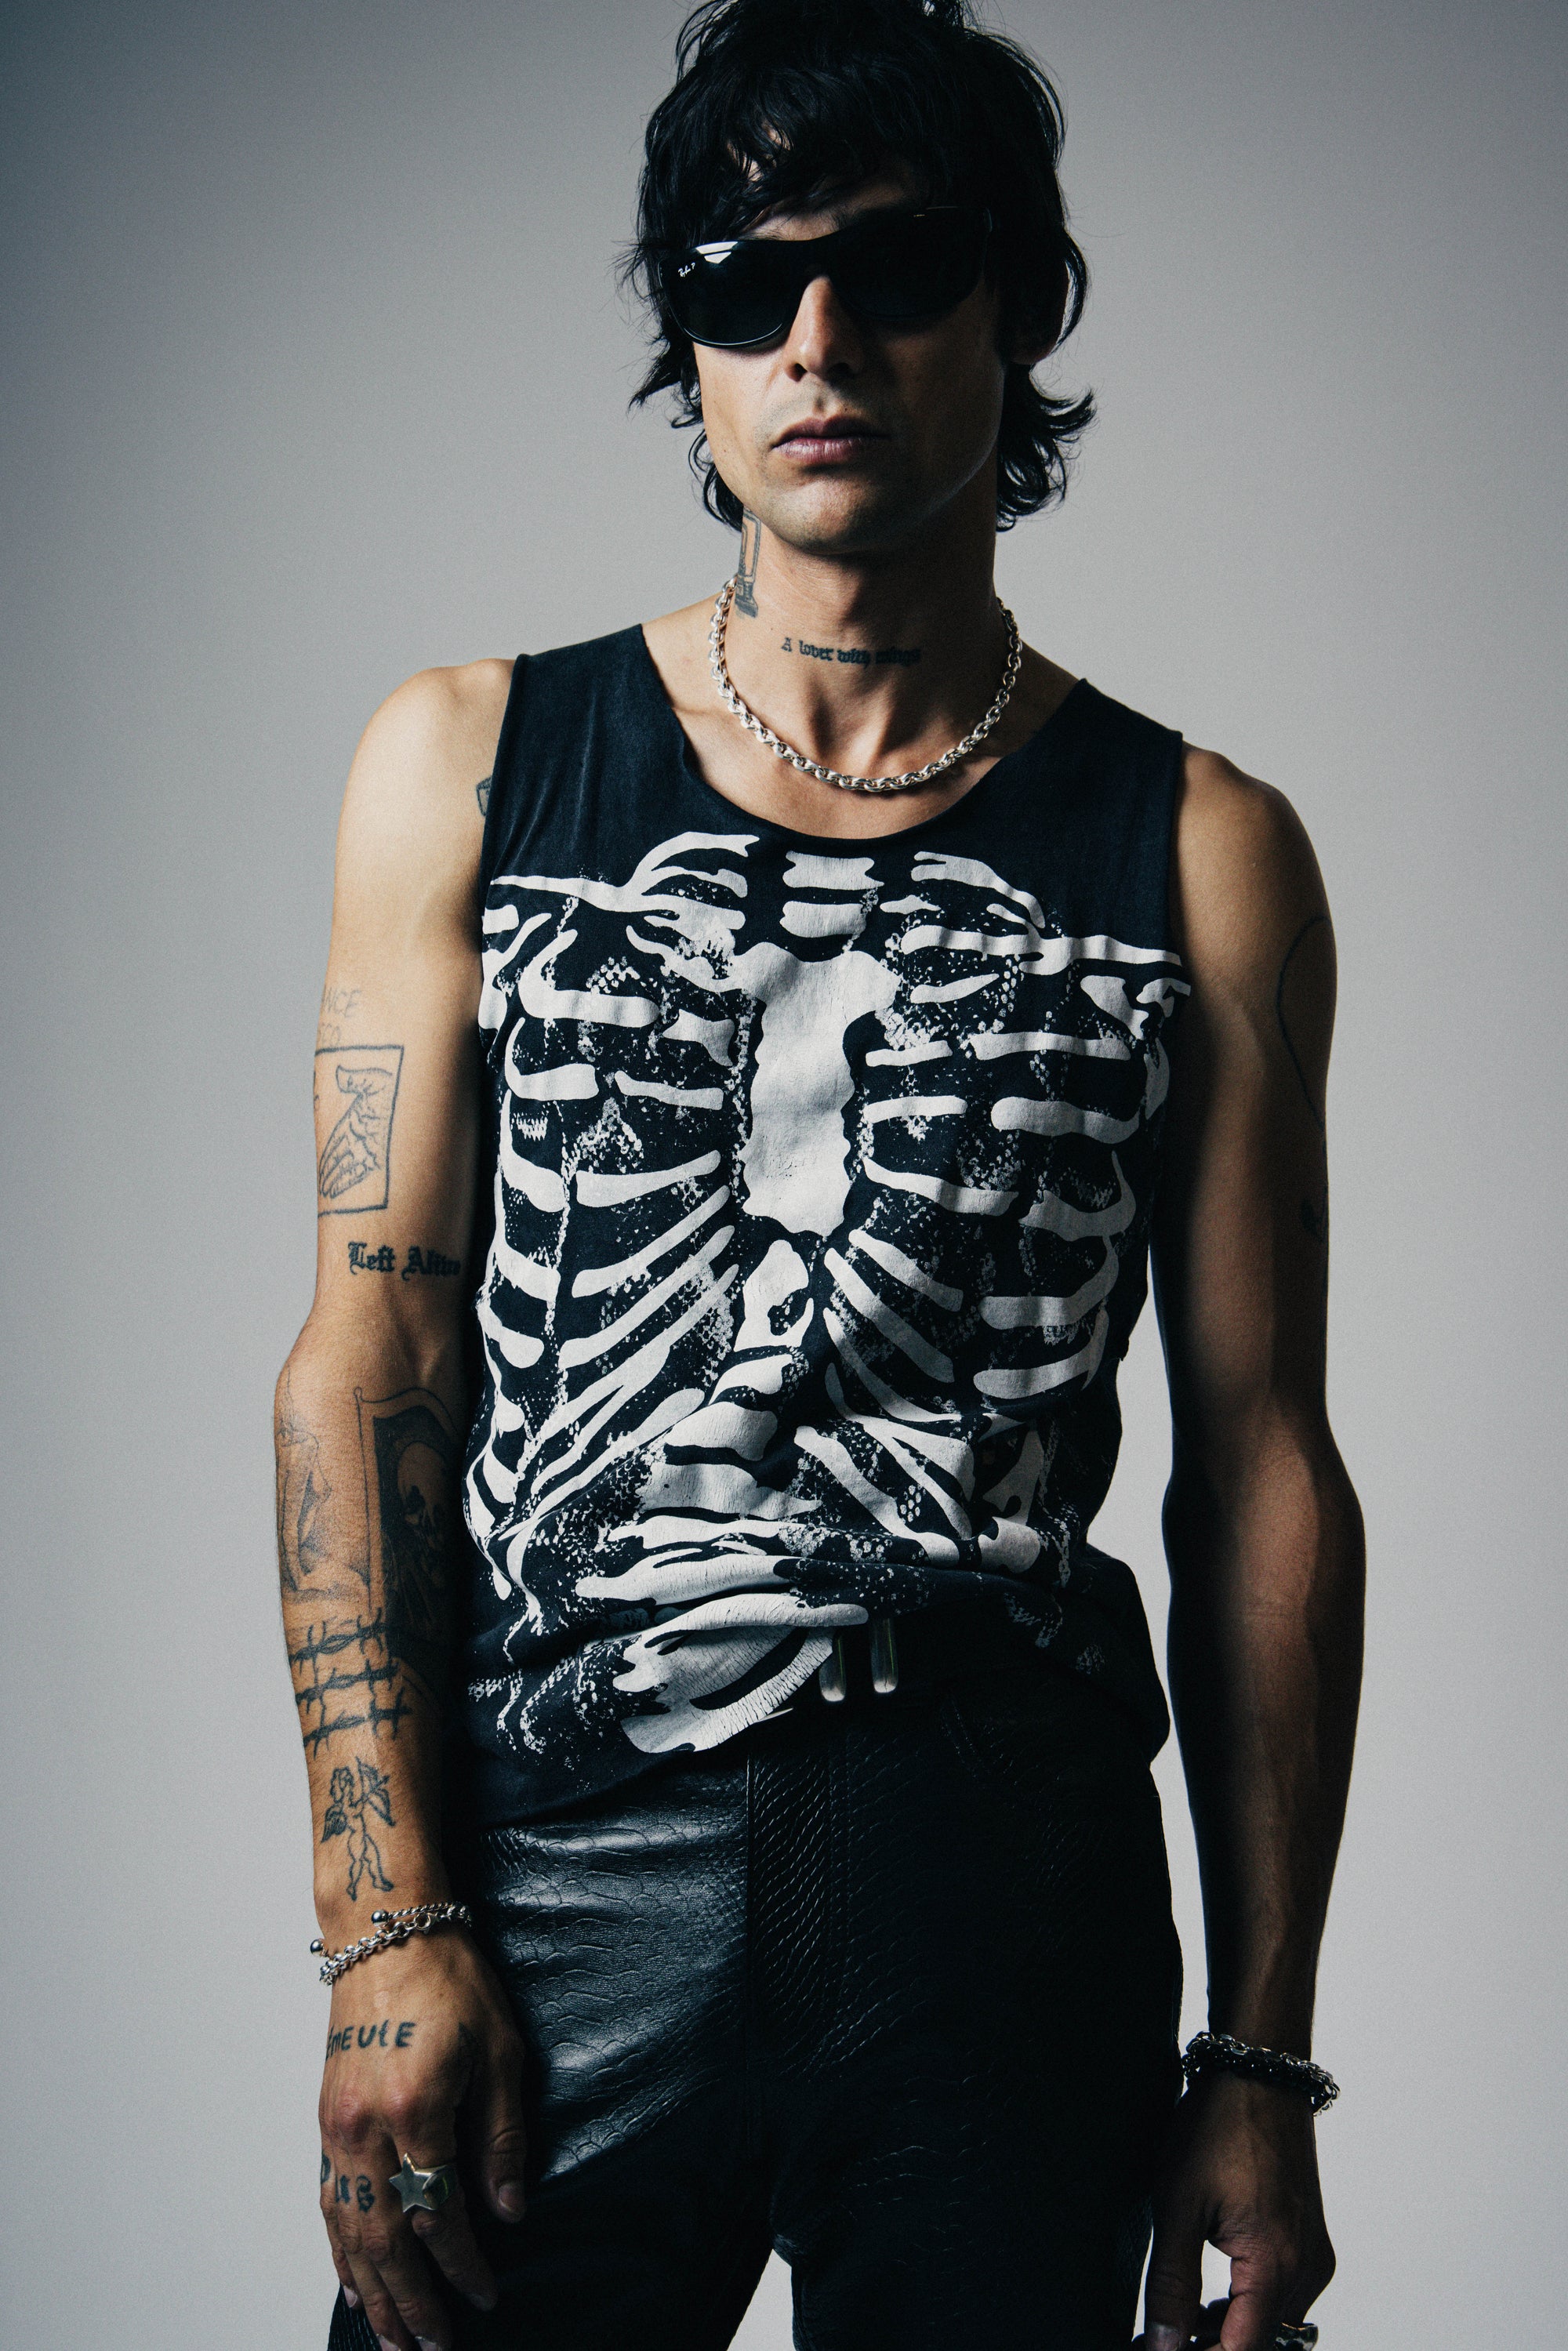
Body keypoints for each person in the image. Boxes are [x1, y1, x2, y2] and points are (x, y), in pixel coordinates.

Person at [274, 3, 1365, 2346]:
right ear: (685, 341)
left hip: (999, 1882)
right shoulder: (466, 765)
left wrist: (1263, 2056)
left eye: (897, 264)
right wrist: (384, 1926)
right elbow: (371, 1359)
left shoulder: (1206, 850)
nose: (816, 338)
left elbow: (1261, 1457)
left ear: (1022, 300)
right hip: (563, 1861)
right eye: (742, 281)